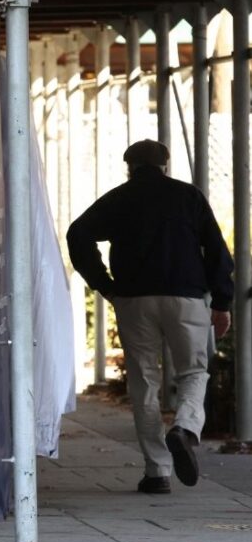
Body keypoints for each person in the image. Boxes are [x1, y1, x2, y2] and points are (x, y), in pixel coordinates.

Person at [67, 139, 233, 494]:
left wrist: (104, 285)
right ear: (165, 165)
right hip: (186, 298)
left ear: (129, 167)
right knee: (193, 371)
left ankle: (157, 472)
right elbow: (217, 250)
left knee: (144, 381)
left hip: (134, 299)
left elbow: (78, 234)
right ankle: (186, 428)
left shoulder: (119, 199)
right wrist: (222, 301)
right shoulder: (188, 197)